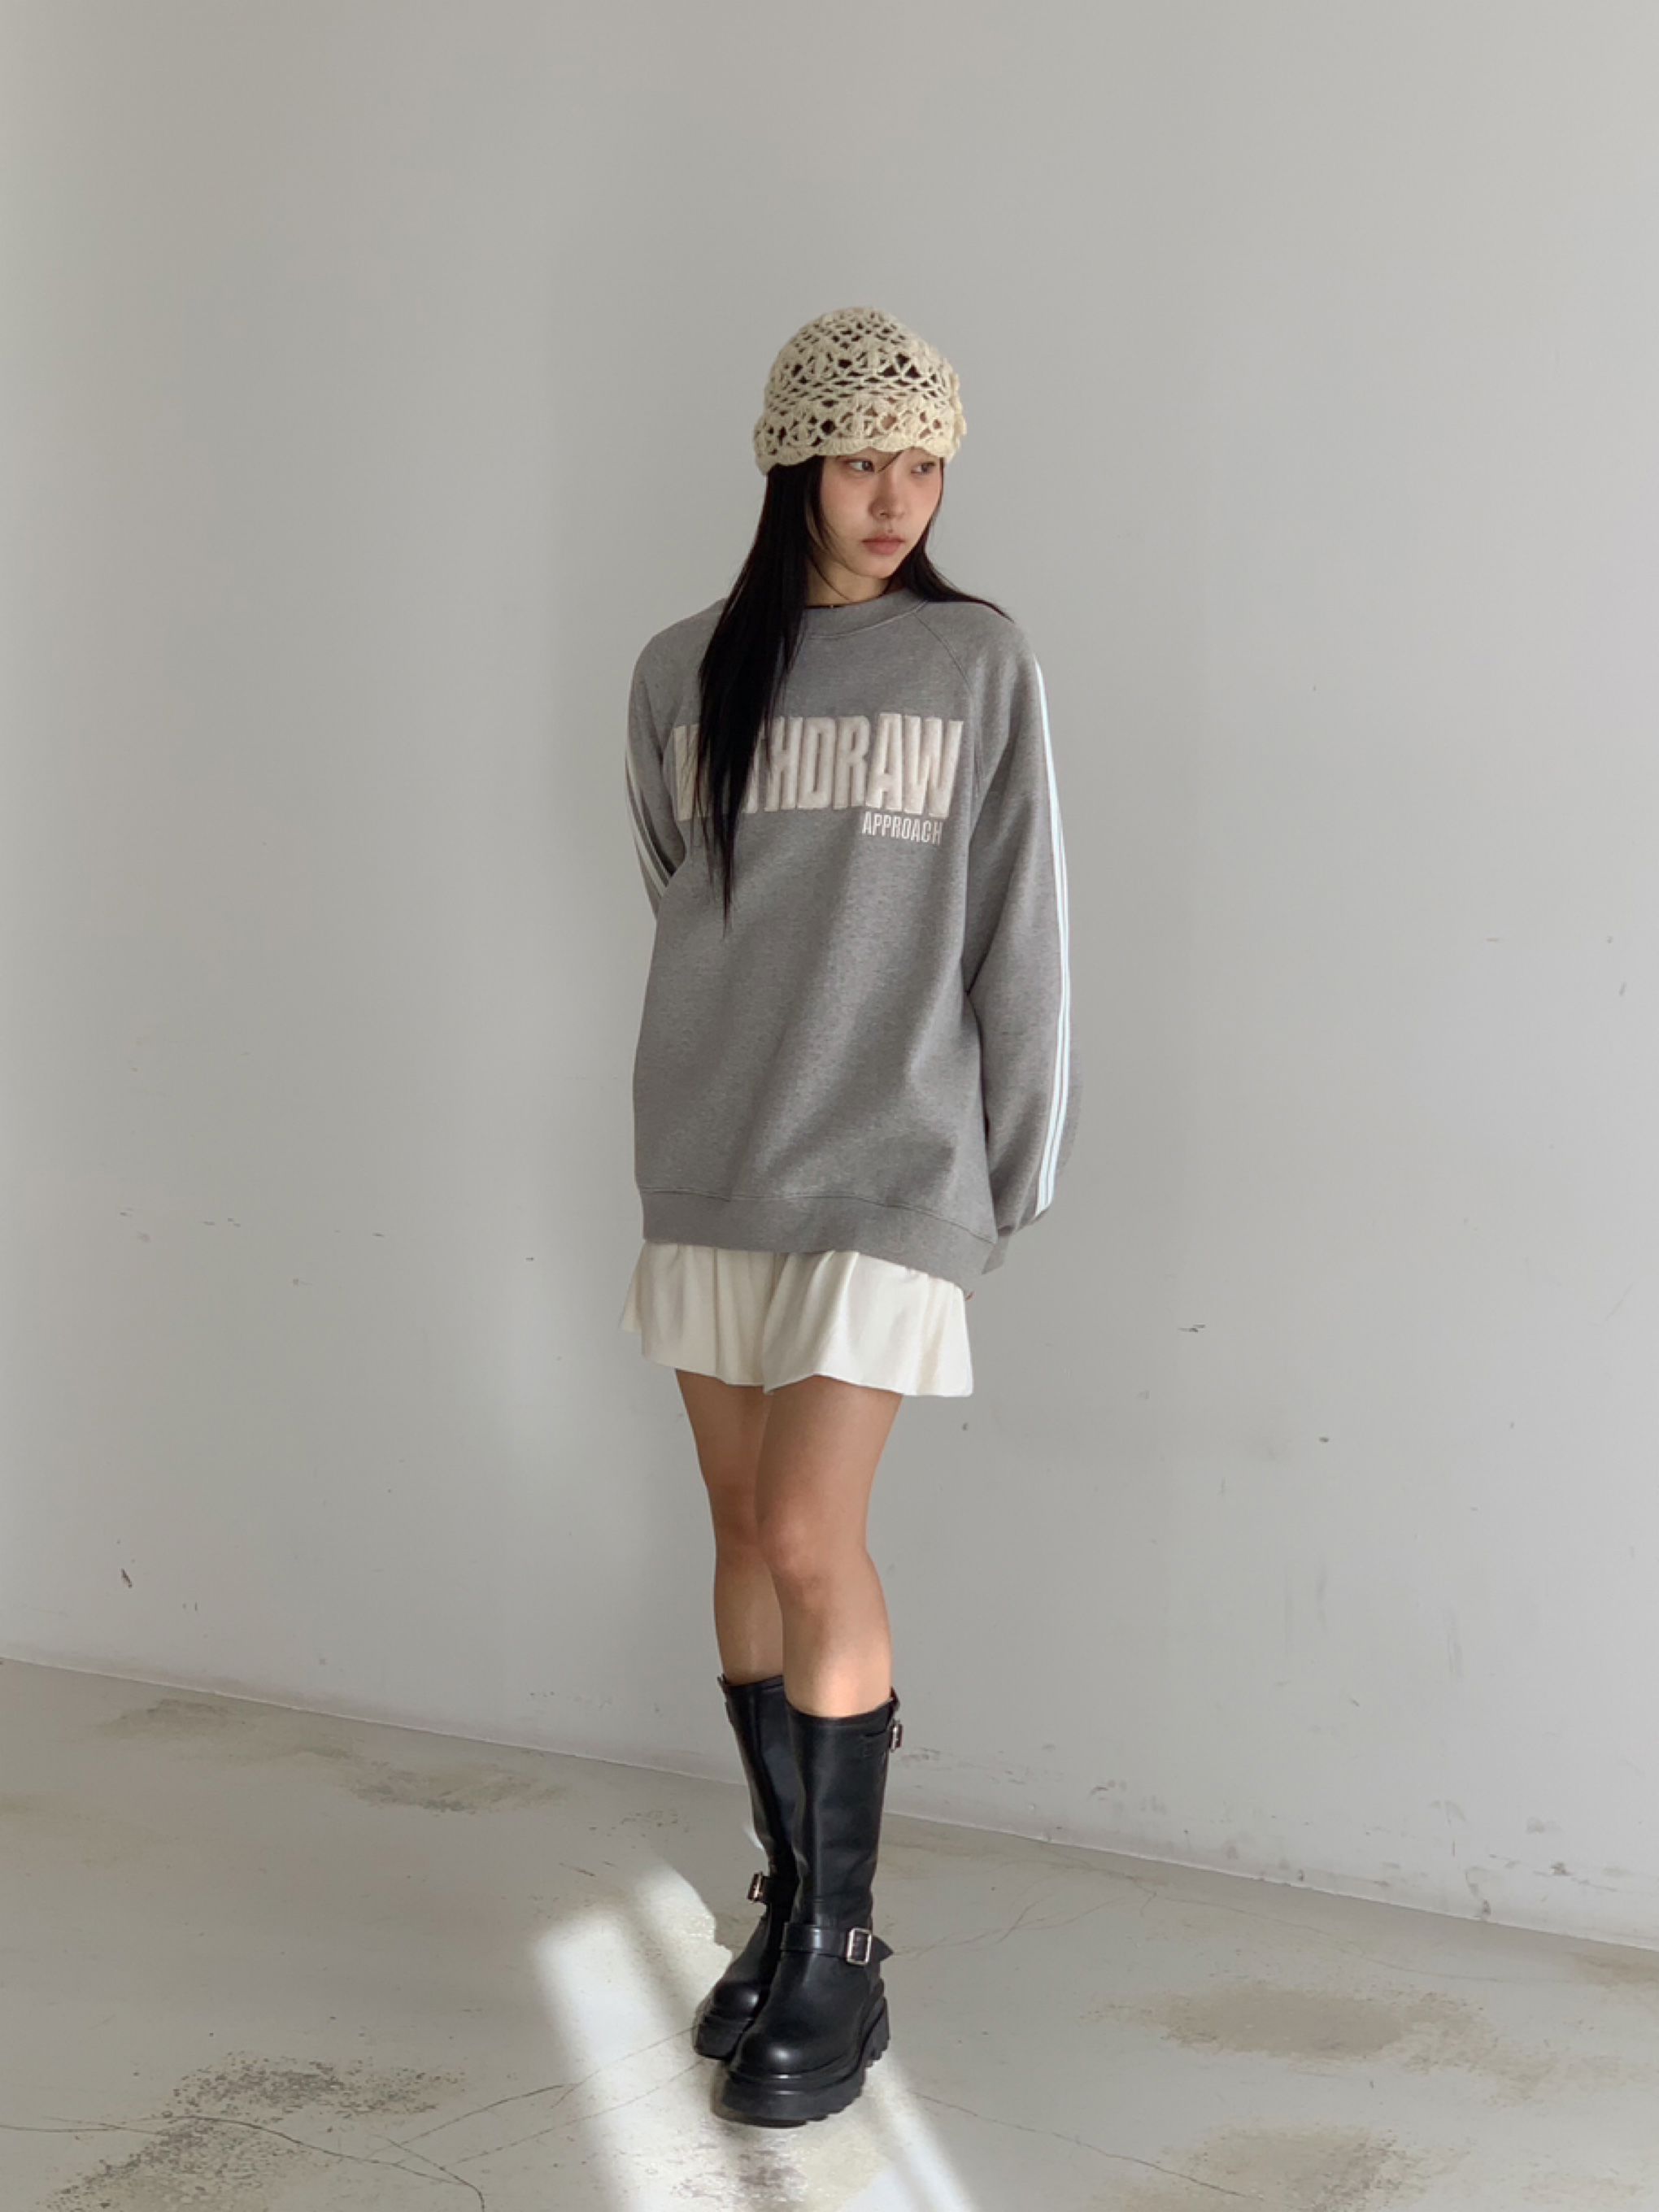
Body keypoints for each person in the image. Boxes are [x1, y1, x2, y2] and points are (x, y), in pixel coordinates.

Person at [616, 304, 1080, 2126]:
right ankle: (789, 1906)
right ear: (791, 463)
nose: (898, 497)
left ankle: (845, 1949)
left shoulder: (973, 660)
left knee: (814, 1533)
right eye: (863, 459)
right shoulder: (681, 671)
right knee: (742, 1534)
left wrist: (1008, 1163)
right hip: (712, 1155)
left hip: (891, 1163)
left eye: (925, 462)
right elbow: (678, 896)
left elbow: (1019, 912)